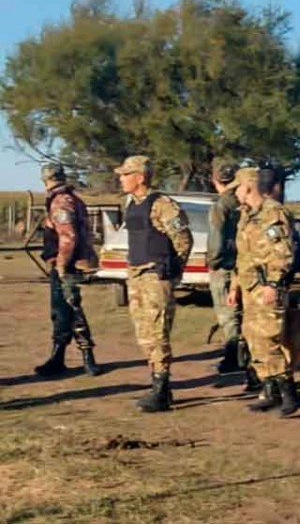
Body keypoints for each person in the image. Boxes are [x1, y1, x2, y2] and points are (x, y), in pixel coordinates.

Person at [116, 155, 193, 413]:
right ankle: (159, 386)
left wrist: (173, 271)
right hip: (137, 276)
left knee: (157, 333)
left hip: (155, 276)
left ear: (140, 177)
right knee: (144, 334)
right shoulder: (131, 203)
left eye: (126, 174)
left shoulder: (163, 205)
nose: (121, 178)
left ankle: (161, 390)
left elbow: (183, 239)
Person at [227, 167, 300, 415]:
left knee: (269, 338)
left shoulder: (273, 213)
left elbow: (283, 252)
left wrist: (273, 284)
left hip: (266, 287)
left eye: (237, 187)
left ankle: (289, 393)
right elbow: (243, 256)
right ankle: (269, 390)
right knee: (253, 339)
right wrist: (235, 285)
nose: (235, 193)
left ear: (248, 187)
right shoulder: (246, 215)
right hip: (249, 288)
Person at [34, 162, 101, 378]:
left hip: (67, 264)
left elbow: (68, 237)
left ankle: (87, 358)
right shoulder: (72, 199)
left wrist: (61, 264)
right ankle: (59, 357)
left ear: (46, 179)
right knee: (62, 311)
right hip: (72, 262)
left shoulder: (60, 202)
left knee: (71, 310)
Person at [207, 161, 246, 377]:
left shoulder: (221, 206)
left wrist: (213, 261)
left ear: (215, 180)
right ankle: (242, 354)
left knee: (227, 315)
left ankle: (233, 358)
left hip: (224, 265)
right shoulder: (242, 203)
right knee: (240, 313)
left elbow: (216, 238)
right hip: (241, 265)